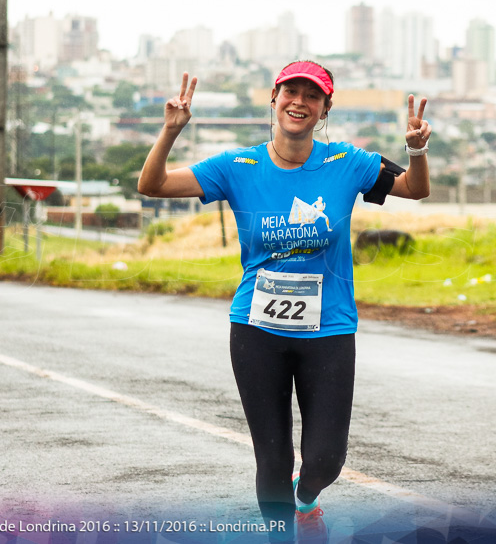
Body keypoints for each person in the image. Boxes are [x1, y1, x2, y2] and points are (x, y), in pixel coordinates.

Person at [138, 61, 431, 540]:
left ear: (324, 109)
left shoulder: (348, 163)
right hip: (257, 330)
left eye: (311, 96)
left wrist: (416, 151)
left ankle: (306, 500)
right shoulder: (237, 166)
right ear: (273, 99)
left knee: (326, 460)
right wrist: (170, 132)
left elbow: (416, 190)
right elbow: (152, 186)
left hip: (330, 329)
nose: (300, 101)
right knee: (272, 457)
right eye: (290, 92)